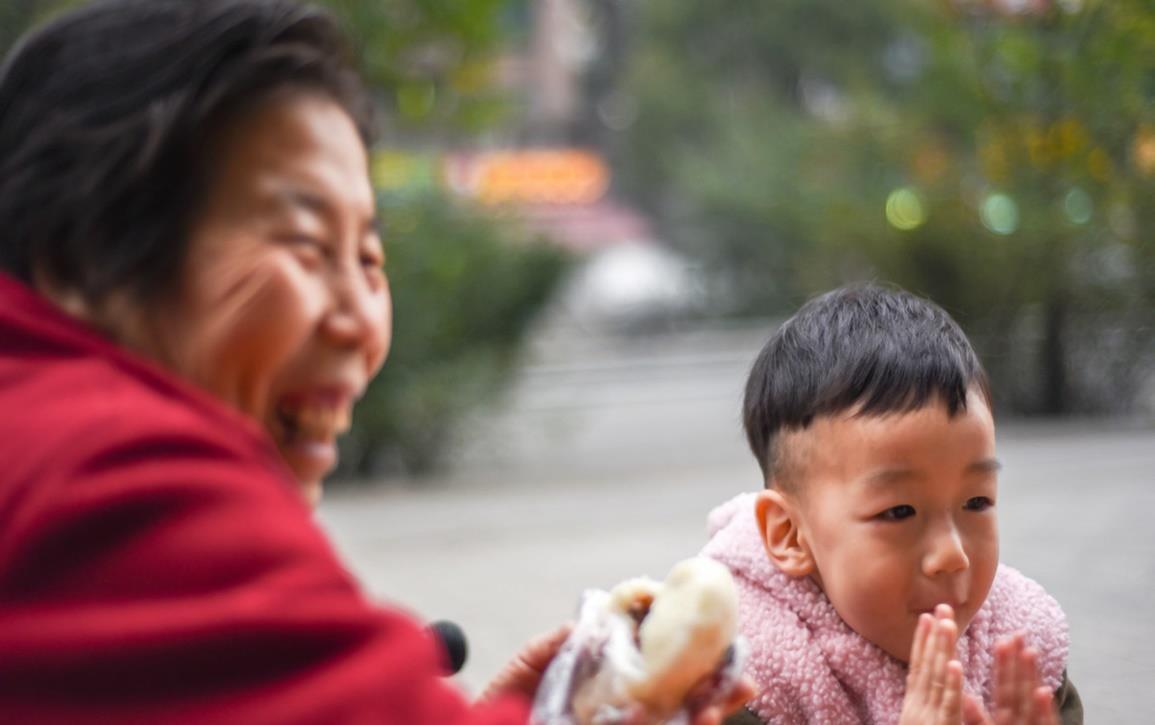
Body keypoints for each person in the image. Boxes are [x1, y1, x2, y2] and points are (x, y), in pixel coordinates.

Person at [0, 1, 753, 722]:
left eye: (367, 257)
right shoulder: (110, 477)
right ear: (81, 260)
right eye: (304, 245)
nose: (362, 323)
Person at [703, 285, 1082, 724]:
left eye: (977, 501)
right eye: (899, 512)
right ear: (789, 534)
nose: (952, 555)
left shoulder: (1020, 656)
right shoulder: (736, 683)